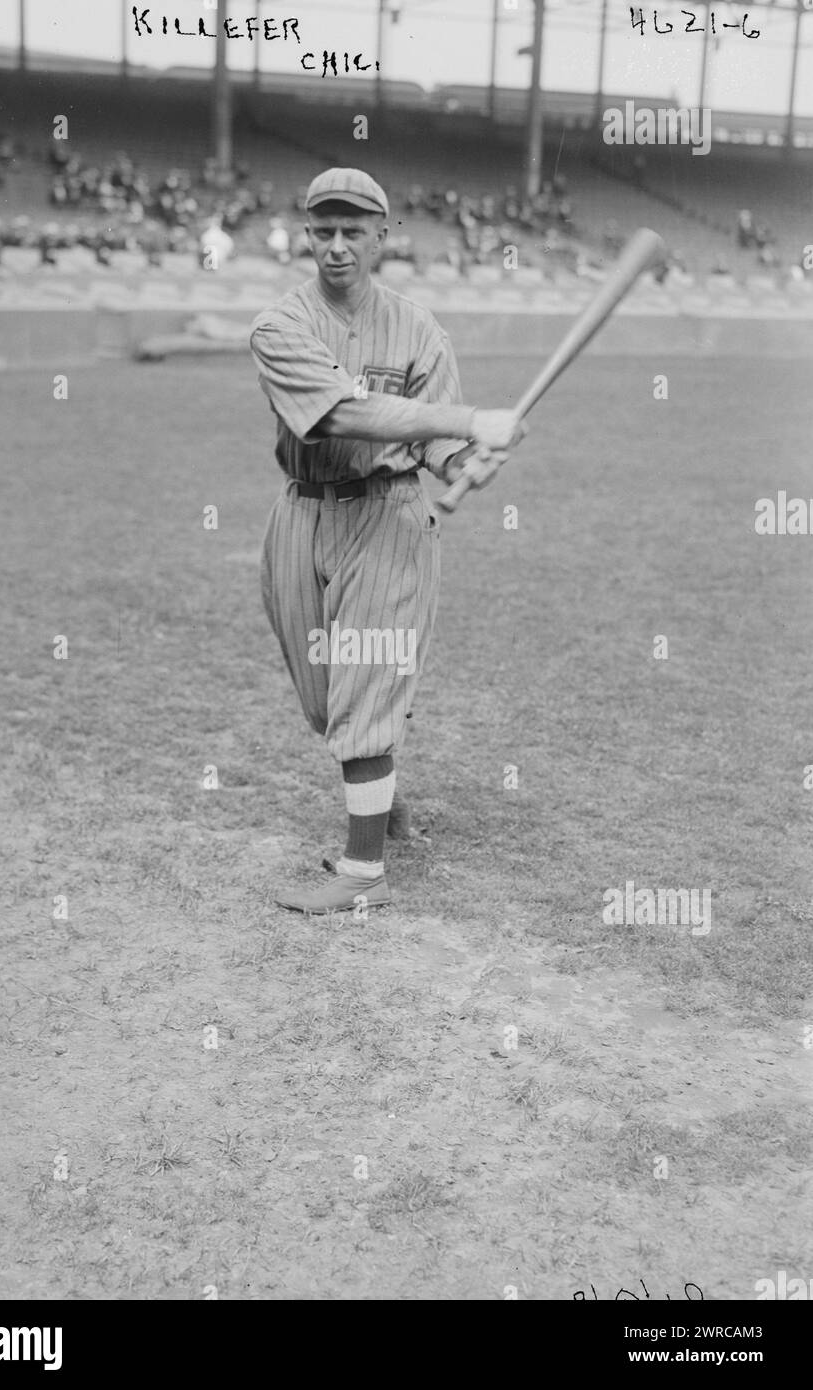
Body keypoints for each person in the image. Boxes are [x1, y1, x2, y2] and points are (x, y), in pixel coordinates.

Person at [249, 168, 528, 914]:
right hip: (302, 514)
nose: (337, 247)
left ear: (381, 236)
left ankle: (363, 869)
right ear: (307, 235)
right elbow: (341, 414)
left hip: (389, 518)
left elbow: (439, 453)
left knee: (364, 681)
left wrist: (470, 459)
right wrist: (468, 421)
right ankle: (379, 793)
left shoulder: (420, 330)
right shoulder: (279, 328)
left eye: (353, 232)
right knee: (324, 698)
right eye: (323, 231)